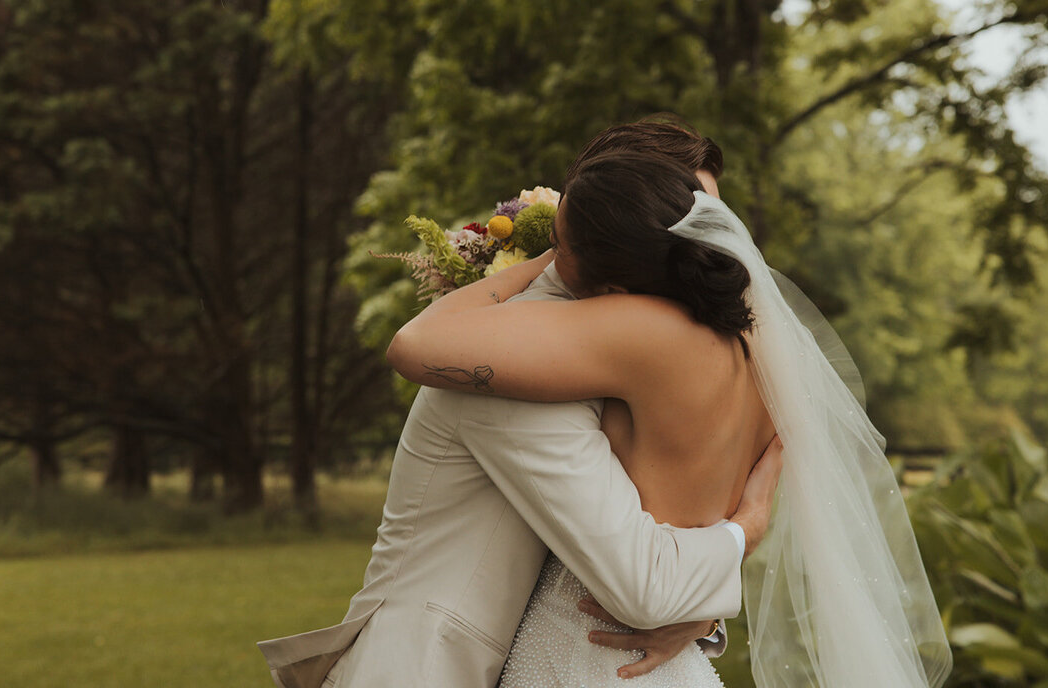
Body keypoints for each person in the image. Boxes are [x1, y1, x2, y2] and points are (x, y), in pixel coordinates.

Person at [389, 124, 952, 687]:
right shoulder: (759, 341)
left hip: (582, 653)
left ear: (612, 282)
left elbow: (413, 345)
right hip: (677, 664)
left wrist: (552, 261)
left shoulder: (629, 334)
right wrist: (728, 562)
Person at [256, 122, 783, 688]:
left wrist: (699, 617)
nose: (701, 246)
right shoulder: (520, 364)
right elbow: (640, 582)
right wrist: (745, 530)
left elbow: (661, 511)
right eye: (680, 218)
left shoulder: (635, 353)